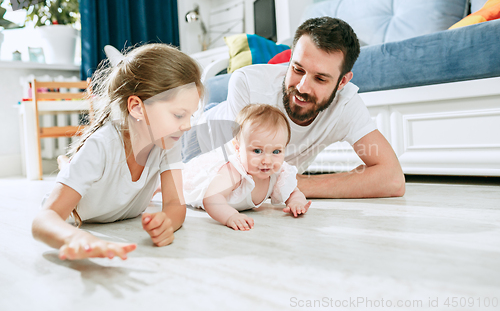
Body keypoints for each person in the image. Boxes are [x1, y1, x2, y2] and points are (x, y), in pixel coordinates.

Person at [183, 17, 405, 199]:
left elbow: (393, 179)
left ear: (342, 82)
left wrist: (295, 183)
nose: (302, 88)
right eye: (298, 69)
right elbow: (242, 173)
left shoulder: (346, 104)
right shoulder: (248, 84)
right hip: (195, 139)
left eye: (320, 78)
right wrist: (281, 183)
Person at [32, 43, 203, 260]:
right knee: (73, 168)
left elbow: (174, 204)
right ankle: (65, 164)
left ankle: (66, 164)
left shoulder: (167, 141)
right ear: (137, 108)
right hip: (84, 209)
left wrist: (167, 222)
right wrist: (73, 238)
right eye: (179, 115)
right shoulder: (101, 145)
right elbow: (43, 219)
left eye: (191, 115)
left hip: (119, 203)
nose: (187, 126)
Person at [183, 104, 312, 230]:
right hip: (196, 183)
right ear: (238, 148)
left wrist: (296, 203)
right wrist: (230, 216)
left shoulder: (278, 173)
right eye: (257, 151)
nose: (267, 160)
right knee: (178, 181)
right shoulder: (234, 171)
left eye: (276, 152)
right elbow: (211, 199)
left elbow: (294, 192)